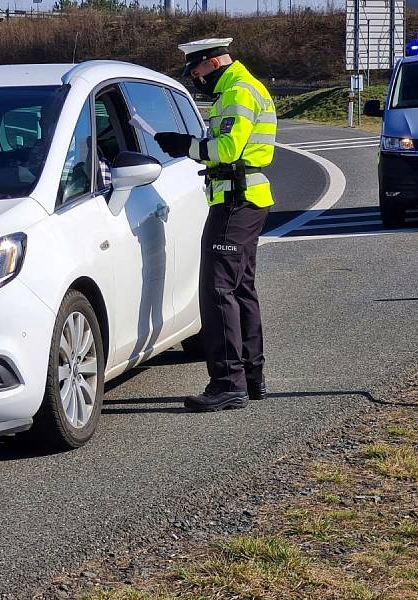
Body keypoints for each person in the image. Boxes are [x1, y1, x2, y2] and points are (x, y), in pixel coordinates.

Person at [154, 38, 277, 412]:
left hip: (235, 202)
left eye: (195, 70)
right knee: (241, 290)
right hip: (247, 200)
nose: (194, 78)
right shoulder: (243, 87)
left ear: (213, 61)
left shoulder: (238, 92)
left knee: (217, 291)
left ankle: (227, 383)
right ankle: (251, 378)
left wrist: (185, 145)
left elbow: (226, 151)